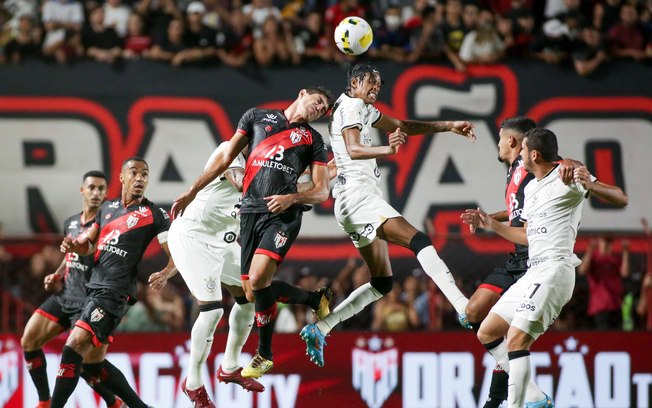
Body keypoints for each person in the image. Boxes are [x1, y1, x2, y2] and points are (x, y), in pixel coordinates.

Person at [300, 62, 475, 367]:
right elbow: (353, 149)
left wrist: (447, 126)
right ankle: (462, 305)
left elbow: (403, 126)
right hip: (358, 197)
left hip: (352, 202)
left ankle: (321, 328)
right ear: (354, 82)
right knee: (418, 239)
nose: (377, 88)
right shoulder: (352, 106)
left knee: (382, 282)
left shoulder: (362, 109)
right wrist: (387, 151)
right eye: (372, 82)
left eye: (380, 84)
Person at [459, 117, 628, 408]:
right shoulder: (532, 189)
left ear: (533, 154)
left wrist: (590, 183)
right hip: (533, 271)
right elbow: (528, 236)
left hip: (555, 271)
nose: (519, 155)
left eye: (523, 150)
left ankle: (517, 404)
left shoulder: (568, 179)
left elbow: (621, 198)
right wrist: (491, 224)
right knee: (487, 330)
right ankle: (535, 399)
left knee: (516, 339)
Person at [171, 86, 334, 380]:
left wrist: (291, 199)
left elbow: (321, 191)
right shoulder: (256, 117)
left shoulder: (313, 140)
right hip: (249, 215)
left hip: (282, 215)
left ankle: (264, 354)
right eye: (318, 101)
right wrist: (191, 191)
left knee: (258, 280)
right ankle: (314, 299)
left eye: (324, 108)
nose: (319, 108)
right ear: (302, 93)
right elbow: (225, 161)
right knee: (251, 291)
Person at [52, 157, 176, 408]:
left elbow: (175, 253)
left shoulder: (155, 215)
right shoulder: (106, 210)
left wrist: (165, 272)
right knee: (91, 365)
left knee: (73, 345)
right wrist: (75, 245)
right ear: (121, 177)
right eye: (134, 172)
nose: (140, 178)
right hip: (95, 288)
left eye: (145, 174)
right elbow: (88, 244)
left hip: (114, 291)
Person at [21, 171, 123, 408]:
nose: (96, 193)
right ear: (82, 191)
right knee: (29, 340)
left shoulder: (107, 226)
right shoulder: (71, 223)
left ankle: (114, 401)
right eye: (91, 188)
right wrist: (57, 274)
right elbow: (70, 255)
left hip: (89, 303)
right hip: (65, 295)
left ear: (107, 193)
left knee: (88, 366)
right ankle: (44, 401)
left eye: (100, 189)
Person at [579, 234, 630, 329]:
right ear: (599, 241)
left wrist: (625, 252)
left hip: (616, 305)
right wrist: (589, 251)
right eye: (604, 240)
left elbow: (625, 273)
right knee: (603, 338)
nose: (606, 244)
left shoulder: (615, 258)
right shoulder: (594, 258)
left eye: (609, 241)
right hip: (599, 306)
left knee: (617, 338)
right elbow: (582, 271)